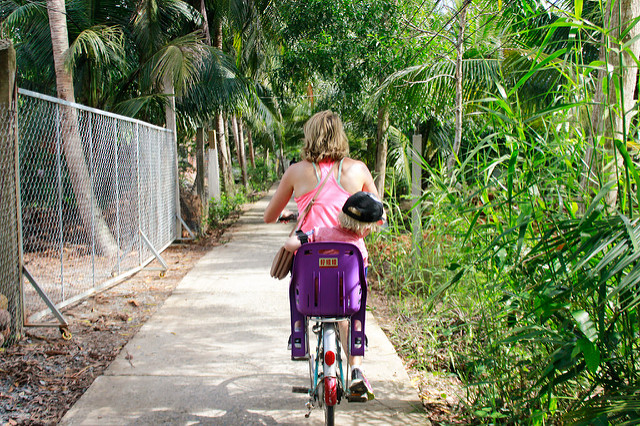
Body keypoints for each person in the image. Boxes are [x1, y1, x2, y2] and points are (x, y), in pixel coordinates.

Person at [264, 110, 381, 401]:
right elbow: (379, 216)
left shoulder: (296, 172)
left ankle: (300, 337)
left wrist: (293, 216)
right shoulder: (359, 170)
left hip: (310, 264)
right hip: (349, 262)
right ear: (341, 136)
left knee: (307, 299)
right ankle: (356, 371)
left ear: (309, 136)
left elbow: (269, 216)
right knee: (348, 312)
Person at [284, 191, 383, 401]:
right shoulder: (358, 249)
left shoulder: (320, 232)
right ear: (366, 229)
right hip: (344, 303)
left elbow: (290, 245)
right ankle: (356, 371)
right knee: (354, 323)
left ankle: (298, 336)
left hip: (313, 300)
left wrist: (302, 236)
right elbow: (360, 283)